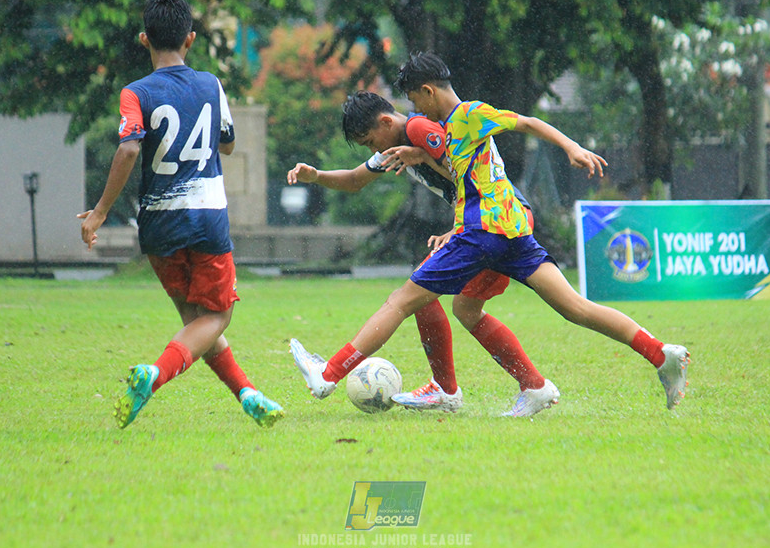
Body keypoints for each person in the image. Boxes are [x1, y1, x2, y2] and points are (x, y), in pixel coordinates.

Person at [290, 53, 689, 415]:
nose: (414, 110)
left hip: (485, 226)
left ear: (425, 93)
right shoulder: (425, 131)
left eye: (414, 99)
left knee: (401, 300)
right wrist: (317, 176)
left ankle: (329, 374)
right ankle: (655, 356)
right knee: (561, 308)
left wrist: (572, 147)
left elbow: (510, 132)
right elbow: (363, 178)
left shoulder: (444, 121)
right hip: (508, 226)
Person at [79, 0, 284, 429]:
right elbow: (226, 143)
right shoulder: (210, 84)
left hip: (157, 223)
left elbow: (131, 147)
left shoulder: (135, 93)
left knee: (194, 321)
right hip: (206, 214)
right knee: (217, 316)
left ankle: (247, 394)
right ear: (190, 39)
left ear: (143, 39)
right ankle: (153, 377)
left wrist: (99, 212)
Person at [287, 90, 555, 413]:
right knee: (456, 306)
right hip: (490, 221)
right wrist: (316, 176)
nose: (374, 150)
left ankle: (330, 374)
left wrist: (459, 227)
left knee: (410, 296)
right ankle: (528, 386)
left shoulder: (418, 130)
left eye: (372, 141)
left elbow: (465, 168)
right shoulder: (395, 143)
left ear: (386, 122)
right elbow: (356, 180)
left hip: (498, 221)